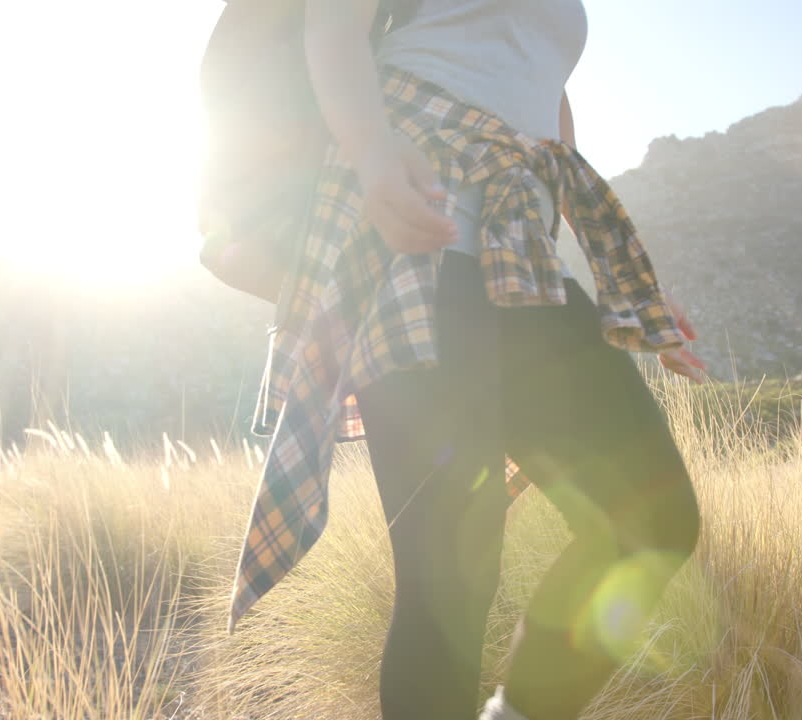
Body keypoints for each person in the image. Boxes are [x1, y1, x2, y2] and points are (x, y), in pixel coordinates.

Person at [228, 1, 707, 718]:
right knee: (450, 577)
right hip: (417, 230)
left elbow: (544, 89)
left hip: (524, 251)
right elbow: (332, 23)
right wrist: (373, 153)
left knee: (654, 519)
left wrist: (628, 284)